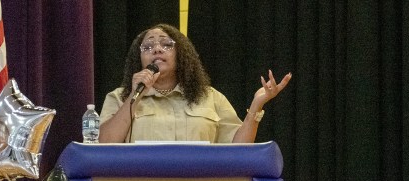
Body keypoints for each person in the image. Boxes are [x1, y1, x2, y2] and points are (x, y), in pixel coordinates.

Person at [99, 23, 292, 144]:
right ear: (138, 59)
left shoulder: (210, 97)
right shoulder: (120, 97)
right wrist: (135, 95)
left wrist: (256, 105)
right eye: (147, 47)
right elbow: (103, 145)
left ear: (181, 55)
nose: (156, 49)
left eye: (166, 44)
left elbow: (238, 148)